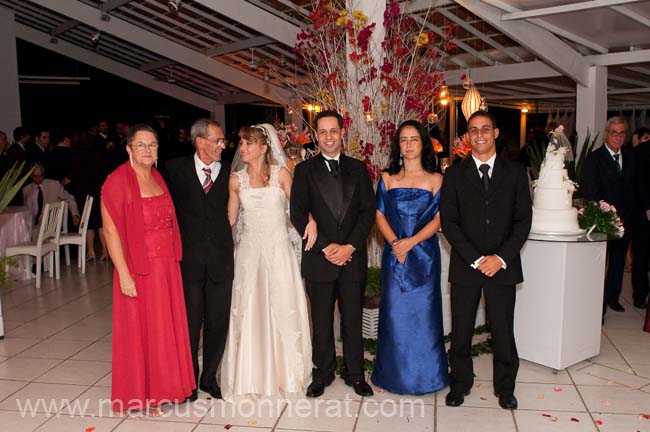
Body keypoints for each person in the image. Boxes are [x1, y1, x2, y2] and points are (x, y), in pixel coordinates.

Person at [440, 110, 532, 410]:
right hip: (467, 265)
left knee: (503, 331)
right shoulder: (454, 174)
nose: (479, 134)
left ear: (495, 134)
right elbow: (449, 222)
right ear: (468, 137)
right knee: (462, 330)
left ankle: (506, 388)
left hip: (503, 267)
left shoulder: (517, 172)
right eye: (473, 130)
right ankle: (460, 384)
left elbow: (523, 221)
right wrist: (477, 258)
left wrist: (500, 258)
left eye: (485, 129)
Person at [101, 124, 195, 414]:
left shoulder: (157, 177)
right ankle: (144, 395)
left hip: (166, 266)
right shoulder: (116, 181)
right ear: (128, 149)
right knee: (143, 332)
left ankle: (167, 388)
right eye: (140, 145)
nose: (147, 150)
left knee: (164, 330)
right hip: (140, 269)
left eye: (152, 145)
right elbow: (110, 231)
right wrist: (125, 274)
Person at [220, 124, 312, 400]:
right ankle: (250, 372)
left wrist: (313, 221)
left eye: (248, 144)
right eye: (241, 143)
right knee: (249, 307)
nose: (243, 149)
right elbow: (231, 219)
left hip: (278, 250)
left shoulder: (282, 174)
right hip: (249, 252)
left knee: (282, 305)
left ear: (263, 147)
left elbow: (298, 210)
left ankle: (286, 371)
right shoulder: (236, 180)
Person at [290, 110, 376, 398]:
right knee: (322, 321)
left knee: (352, 319)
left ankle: (355, 374)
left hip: (352, 257)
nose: (328, 136)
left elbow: (368, 212)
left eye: (333, 131)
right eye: (322, 132)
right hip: (320, 257)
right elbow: (298, 213)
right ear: (316, 136)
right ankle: (322, 374)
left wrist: (350, 246)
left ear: (342, 133)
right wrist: (327, 246)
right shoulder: (303, 171)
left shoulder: (359, 168)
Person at [371, 120, 448, 395]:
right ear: (398, 146)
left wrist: (411, 242)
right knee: (393, 314)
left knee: (425, 316)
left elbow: (440, 218)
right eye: (403, 140)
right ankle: (389, 375)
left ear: (423, 144)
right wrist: (395, 244)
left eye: (414, 139)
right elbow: (378, 214)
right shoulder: (387, 178)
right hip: (395, 256)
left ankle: (429, 376)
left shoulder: (437, 179)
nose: (409, 144)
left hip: (424, 255)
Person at [165, 119, 234, 401]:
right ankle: (189, 380)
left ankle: (209, 378)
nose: (222, 145)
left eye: (222, 141)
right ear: (200, 141)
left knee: (218, 322)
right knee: (190, 323)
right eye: (217, 140)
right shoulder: (173, 169)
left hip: (221, 259)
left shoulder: (231, 172)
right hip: (188, 261)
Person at [582, 117, 636, 313]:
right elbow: (590, 192)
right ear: (606, 134)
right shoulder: (594, 159)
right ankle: (597, 308)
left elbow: (634, 189)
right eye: (614, 132)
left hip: (626, 219)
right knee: (599, 265)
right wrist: (605, 215)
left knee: (618, 261)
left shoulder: (631, 157)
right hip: (602, 221)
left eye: (622, 133)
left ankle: (613, 297)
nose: (618, 137)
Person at [22, 163, 80, 230]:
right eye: (35, 176)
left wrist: (74, 214)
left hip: (51, 225)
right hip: (32, 225)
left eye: (40, 176)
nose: (38, 179)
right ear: (31, 176)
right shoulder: (26, 190)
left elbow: (70, 198)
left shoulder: (54, 185)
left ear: (43, 175)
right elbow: (26, 210)